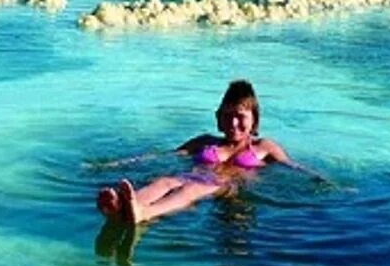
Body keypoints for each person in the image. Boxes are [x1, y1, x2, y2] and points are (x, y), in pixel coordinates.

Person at [96, 80, 297, 225]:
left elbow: (293, 167)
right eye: (228, 116)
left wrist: (320, 181)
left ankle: (144, 213)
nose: (233, 123)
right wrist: (117, 164)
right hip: (193, 176)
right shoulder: (205, 142)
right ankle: (124, 207)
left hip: (227, 186)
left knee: (191, 189)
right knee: (164, 181)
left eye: (240, 116)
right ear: (219, 118)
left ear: (254, 120)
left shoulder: (264, 147)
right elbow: (164, 155)